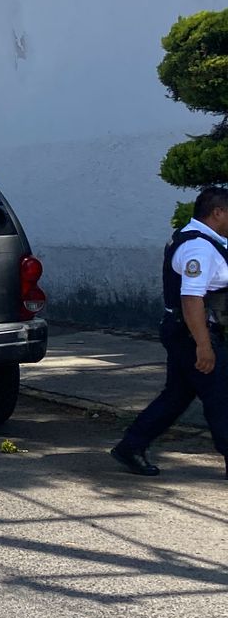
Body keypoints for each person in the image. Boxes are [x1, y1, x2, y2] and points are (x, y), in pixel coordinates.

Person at [111, 186, 228, 478]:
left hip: (185, 331)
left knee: (177, 395)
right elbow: (191, 299)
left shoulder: (205, 239)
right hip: (192, 333)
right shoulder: (198, 247)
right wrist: (204, 345)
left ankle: (131, 445)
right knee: (221, 396)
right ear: (218, 212)